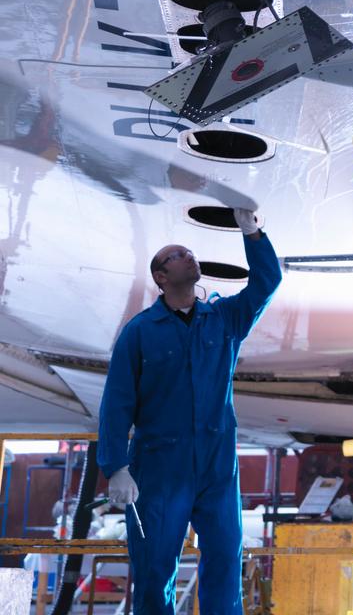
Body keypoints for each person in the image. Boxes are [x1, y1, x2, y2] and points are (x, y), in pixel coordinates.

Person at [97, 209, 281, 614]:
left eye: (189, 251)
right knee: (155, 568)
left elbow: (267, 283)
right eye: (178, 254)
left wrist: (252, 233)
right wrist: (116, 466)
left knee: (225, 563)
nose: (189, 255)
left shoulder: (224, 319)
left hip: (217, 466)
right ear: (161, 276)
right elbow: (117, 401)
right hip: (160, 468)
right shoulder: (140, 331)